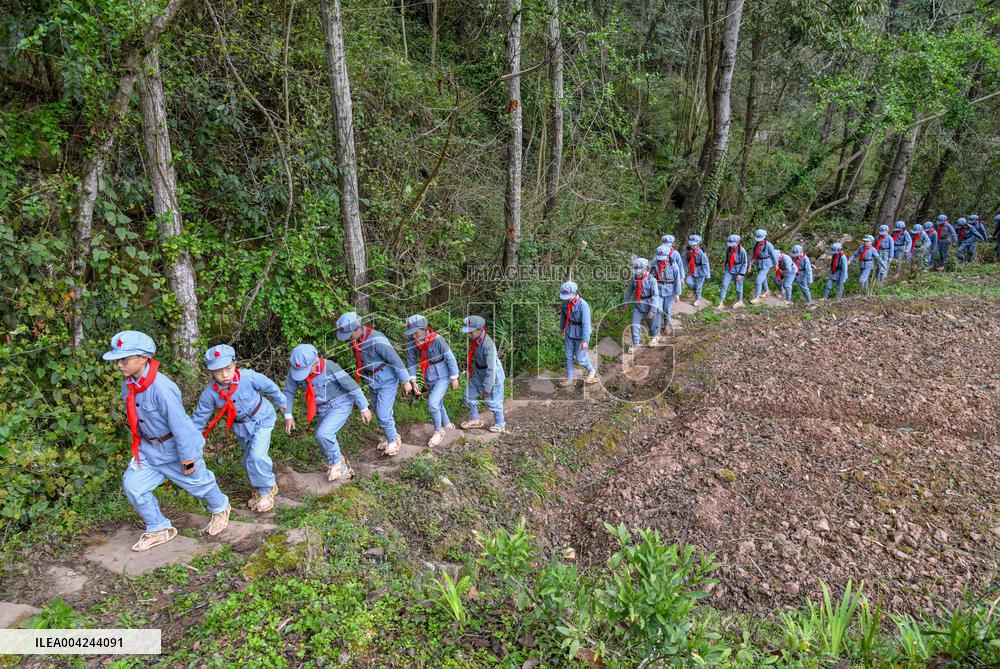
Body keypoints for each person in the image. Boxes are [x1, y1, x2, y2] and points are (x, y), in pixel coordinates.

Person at [104, 331, 230, 552]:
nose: (119, 365)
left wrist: (188, 459)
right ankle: (159, 527)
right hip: (149, 449)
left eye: (124, 359)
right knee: (134, 485)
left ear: (143, 358)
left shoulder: (162, 388)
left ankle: (220, 507)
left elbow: (180, 426)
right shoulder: (129, 385)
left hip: (175, 447)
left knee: (199, 483)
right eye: (117, 360)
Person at [191, 344, 286, 513]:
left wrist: (282, 403)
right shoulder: (209, 393)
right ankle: (258, 489)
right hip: (241, 427)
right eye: (218, 371)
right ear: (211, 372)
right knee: (248, 459)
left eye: (228, 368)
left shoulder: (248, 377)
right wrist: (189, 442)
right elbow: (199, 419)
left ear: (234, 364)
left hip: (262, 418)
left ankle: (267, 489)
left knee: (257, 456)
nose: (224, 374)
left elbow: (269, 386)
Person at [283, 343, 372, 478]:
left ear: (315, 363)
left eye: (306, 370)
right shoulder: (296, 369)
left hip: (340, 403)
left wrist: (364, 407)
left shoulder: (330, 367)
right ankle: (343, 469)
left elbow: (351, 386)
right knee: (321, 437)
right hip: (321, 408)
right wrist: (287, 415)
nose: (302, 375)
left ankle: (337, 463)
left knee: (323, 434)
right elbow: (289, 391)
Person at [336, 312, 413, 456]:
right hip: (372, 380)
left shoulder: (377, 339)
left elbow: (395, 359)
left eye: (349, 334)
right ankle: (390, 435)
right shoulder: (356, 340)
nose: (347, 338)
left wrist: (405, 381)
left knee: (383, 414)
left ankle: (393, 442)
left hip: (387, 380)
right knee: (379, 411)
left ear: (358, 328)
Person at [404, 315, 460, 447]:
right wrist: (413, 381)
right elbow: (411, 361)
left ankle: (438, 431)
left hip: (443, 375)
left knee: (433, 403)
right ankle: (447, 424)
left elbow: (450, 358)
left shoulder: (438, 340)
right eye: (411, 333)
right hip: (428, 374)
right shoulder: (412, 342)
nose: (413, 336)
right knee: (438, 401)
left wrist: (454, 377)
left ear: (424, 329)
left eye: (416, 333)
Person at [460, 315, 506, 433]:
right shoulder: (475, 340)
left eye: (471, 332)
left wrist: (487, 387)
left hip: (492, 376)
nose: (468, 335)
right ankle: (475, 419)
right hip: (478, 373)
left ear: (480, 330)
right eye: (467, 332)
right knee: (468, 396)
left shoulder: (488, 345)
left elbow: (491, 368)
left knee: (493, 401)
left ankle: (500, 424)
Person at [557, 282, 599, 385]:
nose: (566, 298)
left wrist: (585, 340)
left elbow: (586, 324)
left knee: (580, 358)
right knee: (568, 356)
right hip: (569, 332)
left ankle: (592, 370)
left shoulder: (582, 305)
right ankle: (570, 379)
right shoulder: (564, 303)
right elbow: (563, 317)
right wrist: (561, 329)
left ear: (575, 293)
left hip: (581, 334)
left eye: (568, 296)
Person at [624, 258, 660, 354]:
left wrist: (652, 310)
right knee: (634, 324)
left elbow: (655, 296)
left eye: (639, 270)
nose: (637, 273)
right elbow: (629, 291)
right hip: (638, 304)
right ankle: (636, 344)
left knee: (652, 323)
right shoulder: (634, 278)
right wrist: (626, 302)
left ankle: (654, 336)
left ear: (645, 269)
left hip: (649, 304)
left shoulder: (652, 280)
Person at [652, 245, 683, 337]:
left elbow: (677, 280)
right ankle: (656, 330)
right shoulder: (654, 264)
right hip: (658, 289)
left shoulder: (673, 265)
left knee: (667, 309)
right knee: (658, 309)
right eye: (659, 258)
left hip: (670, 290)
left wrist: (677, 293)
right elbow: (650, 277)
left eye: (663, 258)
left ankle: (666, 325)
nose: (661, 260)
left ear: (668, 256)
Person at [718, 234, 748, 309]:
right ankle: (721, 301)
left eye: (733, 244)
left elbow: (745, 263)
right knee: (724, 284)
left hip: (738, 271)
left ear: (737, 243)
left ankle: (740, 301)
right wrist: (726, 268)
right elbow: (727, 259)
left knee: (739, 286)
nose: (732, 246)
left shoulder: (742, 251)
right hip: (729, 269)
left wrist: (741, 274)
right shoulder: (728, 249)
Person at [749, 229, 778, 304]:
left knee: (758, 280)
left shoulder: (769, 245)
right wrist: (750, 265)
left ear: (765, 238)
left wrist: (776, 265)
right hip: (759, 262)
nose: (759, 241)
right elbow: (752, 255)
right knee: (763, 278)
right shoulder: (755, 244)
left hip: (766, 263)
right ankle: (767, 291)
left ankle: (757, 297)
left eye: (761, 239)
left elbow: (773, 256)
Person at [683, 234, 711, 306]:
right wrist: (683, 269)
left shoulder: (701, 253)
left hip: (700, 271)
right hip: (692, 269)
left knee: (699, 286)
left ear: (698, 244)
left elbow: (705, 264)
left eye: (694, 245)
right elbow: (686, 259)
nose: (692, 246)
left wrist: (707, 274)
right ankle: (693, 290)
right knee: (688, 281)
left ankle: (697, 299)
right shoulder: (689, 251)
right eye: (691, 245)